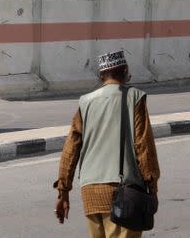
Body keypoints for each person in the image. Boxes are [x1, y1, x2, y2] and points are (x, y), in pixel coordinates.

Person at [54, 50, 160, 238]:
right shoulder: (134, 98)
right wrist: (152, 187)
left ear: (102, 75)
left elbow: (70, 149)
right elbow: (144, 146)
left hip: (91, 192)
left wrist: (63, 192)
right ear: (125, 71)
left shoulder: (85, 102)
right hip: (124, 192)